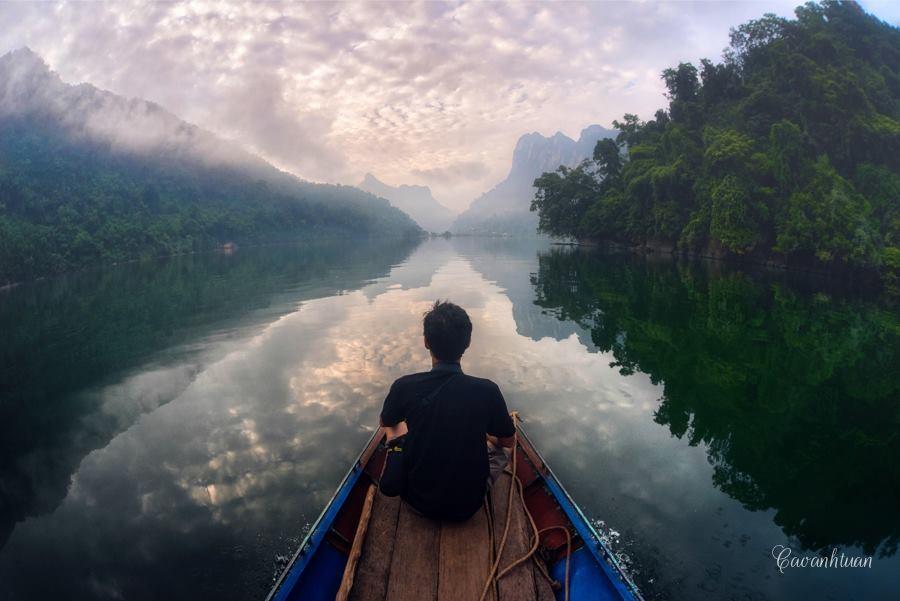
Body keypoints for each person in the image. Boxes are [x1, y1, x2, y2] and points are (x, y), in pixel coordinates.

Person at [379, 300, 516, 522]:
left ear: (426, 342)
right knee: (502, 451)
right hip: (468, 506)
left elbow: (385, 422)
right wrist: (486, 436)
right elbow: (508, 442)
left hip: (417, 502)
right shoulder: (487, 390)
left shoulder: (404, 386)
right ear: (468, 342)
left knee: (394, 429)